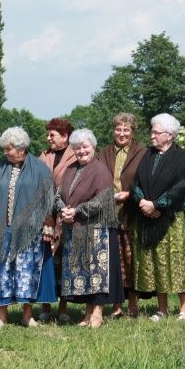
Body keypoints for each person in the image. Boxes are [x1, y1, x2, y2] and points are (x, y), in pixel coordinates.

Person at [133, 113, 185, 321]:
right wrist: (143, 203)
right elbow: (135, 183)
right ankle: (162, 309)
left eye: (156, 132)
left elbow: (180, 188)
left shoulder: (181, 158)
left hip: (174, 219)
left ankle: (184, 309)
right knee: (157, 261)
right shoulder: (148, 155)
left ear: (170, 135)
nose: (152, 136)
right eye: (152, 132)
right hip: (149, 217)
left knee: (177, 261)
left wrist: (157, 205)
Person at [0, 127, 55, 328]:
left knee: (27, 272)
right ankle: (1, 315)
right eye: (4, 148)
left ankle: (27, 315)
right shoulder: (0, 168)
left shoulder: (40, 169)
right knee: (2, 272)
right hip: (3, 229)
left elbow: (48, 201)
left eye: (9, 148)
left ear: (21, 148)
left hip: (29, 231)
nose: (5, 152)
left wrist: (48, 225)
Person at [56, 129, 124, 328]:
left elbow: (101, 200)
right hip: (76, 228)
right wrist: (63, 209)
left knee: (98, 273)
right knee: (84, 273)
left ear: (93, 147)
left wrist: (76, 211)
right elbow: (58, 194)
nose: (81, 151)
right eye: (77, 148)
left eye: (85, 147)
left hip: (97, 229)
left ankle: (98, 313)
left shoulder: (100, 170)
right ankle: (87, 313)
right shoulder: (70, 169)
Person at [100, 113, 147, 318]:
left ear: (133, 132)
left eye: (126, 130)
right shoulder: (104, 153)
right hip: (109, 213)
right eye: (118, 129)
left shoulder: (142, 152)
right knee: (113, 261)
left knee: (131, 259)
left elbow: (146, 180)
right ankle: (116, 305)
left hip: (132, 213)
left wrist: (129, 194)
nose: (121, 133)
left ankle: (133, 303)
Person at [37, 117, 76, 322]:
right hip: (44, 217)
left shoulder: (75, 155)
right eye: (48, 134)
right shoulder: (43, 156)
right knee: (46, 262)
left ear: (65, 136)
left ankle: (63, 308)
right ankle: (45, 306)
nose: (48, 138)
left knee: (65, 262)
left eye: (52, 135)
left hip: (66, 215)